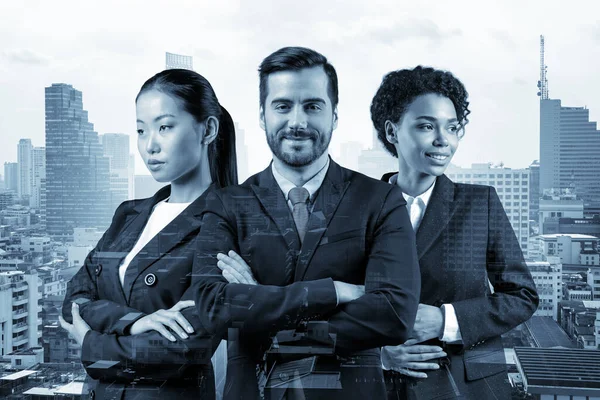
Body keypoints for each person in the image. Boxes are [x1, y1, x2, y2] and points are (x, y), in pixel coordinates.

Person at [190, 46, 421, 400]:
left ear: (334, 117)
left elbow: (395, 314)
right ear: (263, 116)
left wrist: (257, 302)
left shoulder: (379, 200)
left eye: (312, 106)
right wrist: (333, 292)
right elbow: (213, 310)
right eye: (283, 106)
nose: (297, 121)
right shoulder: (226, 204)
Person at [59, 68, 237, 400]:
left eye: (165, 127)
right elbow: (74, 300)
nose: (149, 146)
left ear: (208, 130)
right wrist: (134, 322)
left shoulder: (230, 226)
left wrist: (90, 342)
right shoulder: (129, 214)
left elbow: (178, 351)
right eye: (141, 131)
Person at [370, 66, 539, 399]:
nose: (442, 140)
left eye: (452, 127)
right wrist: (377, 354)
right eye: (425, 126)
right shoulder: (357, 209)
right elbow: (331, 310)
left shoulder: (479, 204)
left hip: (467, 385)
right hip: (379, 387)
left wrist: (446, 320)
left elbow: (522, 296)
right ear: (392, 132)